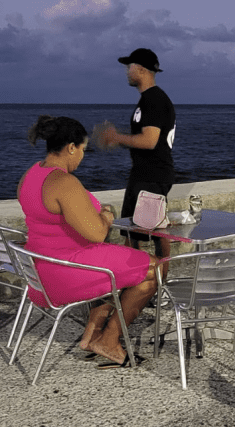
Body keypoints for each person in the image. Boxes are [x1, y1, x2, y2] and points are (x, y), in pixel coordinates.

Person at [19, 116, 159, 366]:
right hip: (65, 271)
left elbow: (57, 220)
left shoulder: (31, 174)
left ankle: (93, 335)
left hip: (40, 270)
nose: (82, 156)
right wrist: (106, 216)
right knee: (155, 268)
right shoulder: (63, 182)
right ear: (71, 147)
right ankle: (109, 340)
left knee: (122, 263)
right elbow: (96, 234)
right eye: (82, 149)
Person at [94, 48, 177, 275]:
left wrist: (115, 137)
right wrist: (119, 140)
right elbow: (144, 140)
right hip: (143, 175)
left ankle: (155, 288)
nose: (126, 72)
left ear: (141, 69)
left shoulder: (154, 100)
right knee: (132, 232)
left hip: (153, 176)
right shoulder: (147, 100)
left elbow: (150, 141)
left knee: (156, 234)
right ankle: (136, 282)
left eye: (129, 67)